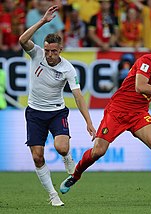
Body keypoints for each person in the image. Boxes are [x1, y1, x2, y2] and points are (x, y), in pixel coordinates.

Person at [60, 35, 151, 204]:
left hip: (138, 113)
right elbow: (140, 87)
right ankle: (75, 175)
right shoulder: (147, 61)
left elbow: (147, 95)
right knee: (98, 151)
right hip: (118, 110)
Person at [19, 5, 96, 207]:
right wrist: (43, 21)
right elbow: (22, 40)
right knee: (37, 157)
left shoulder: (67, 68)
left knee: (61, 147)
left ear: (60, 50)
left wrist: (89, 122)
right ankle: (53, 194)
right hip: (34, 112)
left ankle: (67, 157)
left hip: (56, 112)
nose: (49, 54)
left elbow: (78, 96)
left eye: (53, 51)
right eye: (47, 50)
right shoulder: (36, 55)